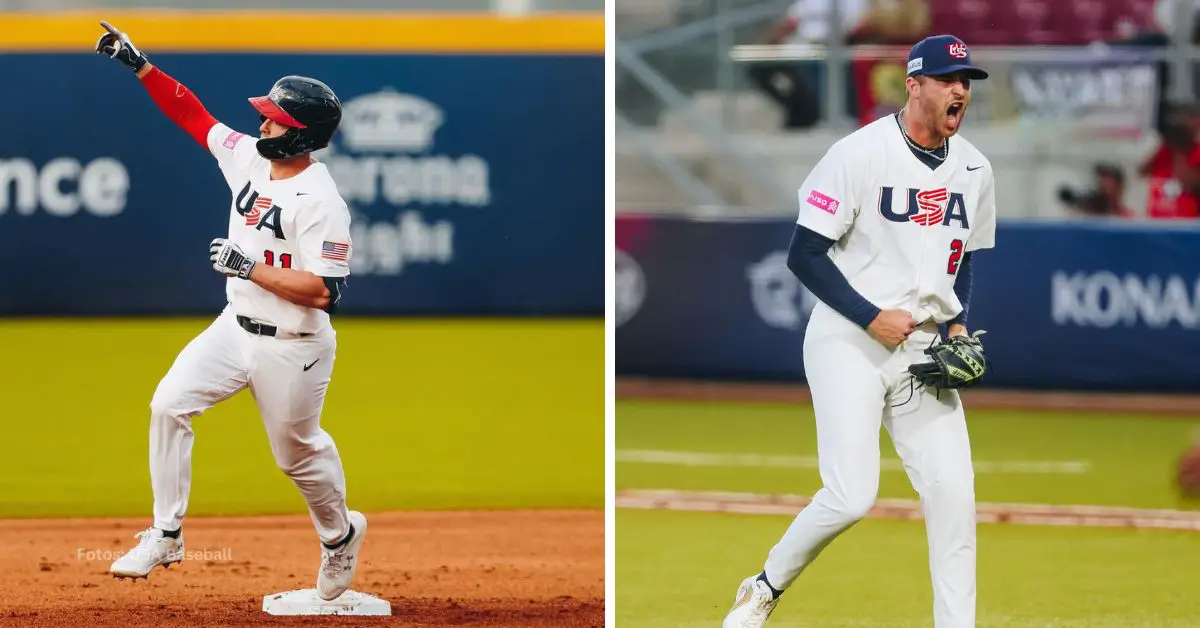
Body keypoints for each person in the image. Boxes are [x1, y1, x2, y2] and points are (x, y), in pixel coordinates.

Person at [722, 34, 996, 628]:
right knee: (850, 496)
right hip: (850, 338)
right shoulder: (859, 154)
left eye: (966, 81)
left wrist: (957, 325)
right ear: (913, 84)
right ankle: (765, 586)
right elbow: (805, 254)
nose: (960, 90)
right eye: (948, 79)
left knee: (955, 500)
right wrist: (871, 315)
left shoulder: (974, 167)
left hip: (924, 348)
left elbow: (963, 255)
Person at [93, 21, 367, 601]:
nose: (262, 122)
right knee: (168, 404)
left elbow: (325, 291)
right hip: (234, 328)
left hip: (293, 344)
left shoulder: (321, 200)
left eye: (275, 119)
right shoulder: (248, 158)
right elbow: (192, 115)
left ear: (300, 136)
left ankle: (340, 535)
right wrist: (139, 64)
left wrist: (249, 268)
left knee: (297, 456)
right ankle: (167, 533)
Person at [1058, 163, 1133, 218]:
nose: (1103, 185)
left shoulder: (1129, 218)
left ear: (1119, 185)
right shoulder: (1091, 214)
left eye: (1108, 180)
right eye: (1101, 180)